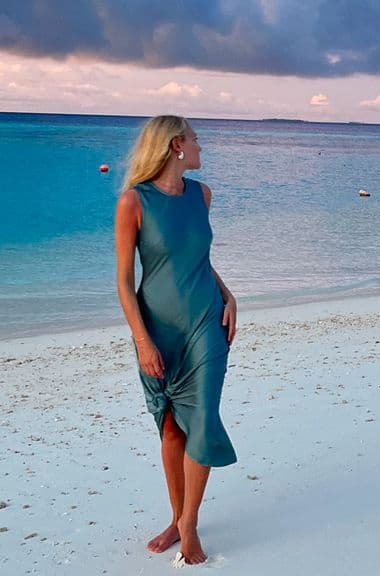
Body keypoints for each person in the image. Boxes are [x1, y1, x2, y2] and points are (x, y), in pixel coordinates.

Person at [114, 115, 237, 565]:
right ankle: (176, 516)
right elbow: (126, 283)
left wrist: (229, 294)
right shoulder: (133, 202)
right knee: (170, 428)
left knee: (202, 418)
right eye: (195, 139)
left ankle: (189, 524)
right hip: (159, 328)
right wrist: (143, 341)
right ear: (174, 146)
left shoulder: (201, 195)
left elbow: (198, 258)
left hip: (207, 320)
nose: (201, 146)